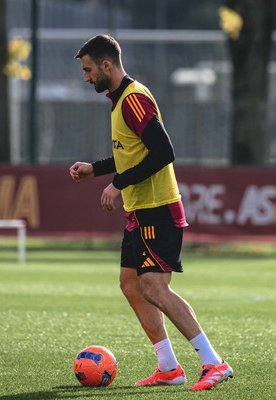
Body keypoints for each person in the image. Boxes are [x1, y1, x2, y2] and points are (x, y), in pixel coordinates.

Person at [69, 34, 233, 391]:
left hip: (158, 209)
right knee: (131, 285)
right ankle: (169, 367)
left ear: (107, 65)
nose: (86, 77)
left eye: (89, 70)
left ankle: (214, 362)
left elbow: (163, 152)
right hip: (140, 211)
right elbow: (133, 154)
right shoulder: (119, 101)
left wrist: (118, 183)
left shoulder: (133, 99)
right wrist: (96, 170)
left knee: (155, 289)